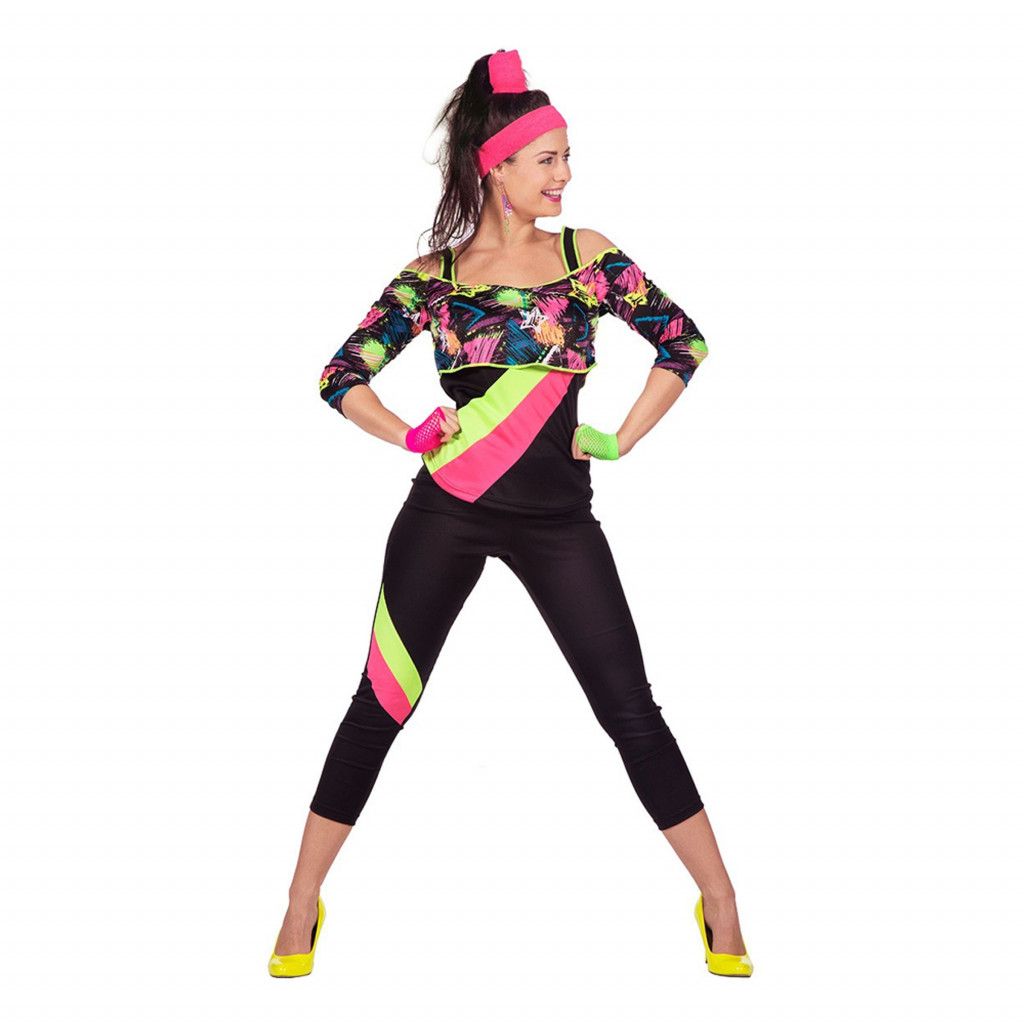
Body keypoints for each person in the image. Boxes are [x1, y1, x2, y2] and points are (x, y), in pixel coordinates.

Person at [269, 48, 753, 980]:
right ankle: (299, 902)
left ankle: (721, 898)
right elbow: (340, 375)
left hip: (558, 522)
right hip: (446, 511)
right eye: (549, 159)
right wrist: (409, 433)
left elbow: (682, 343)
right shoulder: (435, 277)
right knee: (380, 704)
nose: (565, 175)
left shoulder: (586, 258)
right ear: (497, 168)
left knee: (629, 708)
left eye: (567, 157)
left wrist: (621, 437)